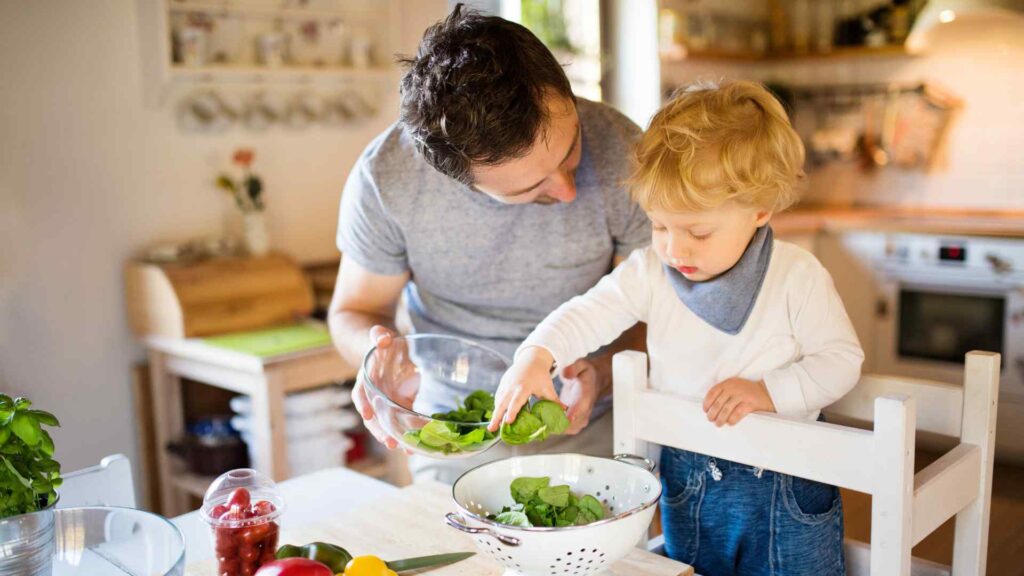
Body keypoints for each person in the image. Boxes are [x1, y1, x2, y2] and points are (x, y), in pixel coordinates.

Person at [488, 80, 864, 575]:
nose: (675, 249)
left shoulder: (797, 276)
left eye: (698, 231)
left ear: (760, 210)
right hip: (687, 479)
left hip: (785, 483)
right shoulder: (650, 272)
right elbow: (588, 311)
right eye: (660, 226)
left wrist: (769, 392)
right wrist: (537, 355)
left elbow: (841, 362)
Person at [328, 4, 649, 484]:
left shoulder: (625, 150)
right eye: (529, 189)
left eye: (571, 149)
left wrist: (602, 373)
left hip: (599, 426)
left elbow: (657, 306)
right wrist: (378, 357)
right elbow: (354, 310)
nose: (567, 191)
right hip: (454, 433)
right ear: (457, 178)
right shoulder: (388, 177)